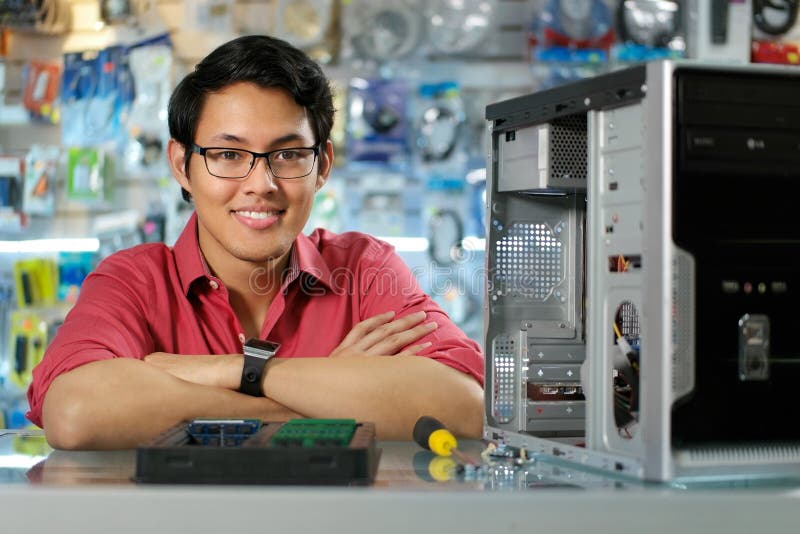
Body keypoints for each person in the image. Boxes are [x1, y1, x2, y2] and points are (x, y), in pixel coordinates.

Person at [27, 35, 484, 449]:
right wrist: (327, 396)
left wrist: (244, 372)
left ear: (323, 164)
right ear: (182, 164)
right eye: (228, 155)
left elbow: (464, 407)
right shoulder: (132, 281)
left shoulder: (366, 269)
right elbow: (76, 412)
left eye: (287, 154)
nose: (261, 183)